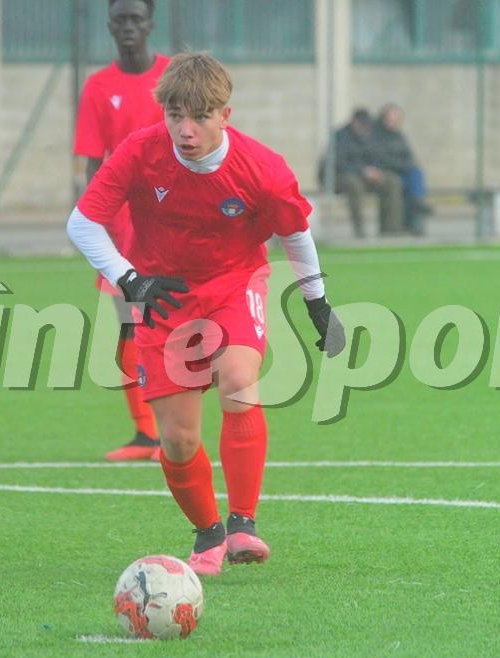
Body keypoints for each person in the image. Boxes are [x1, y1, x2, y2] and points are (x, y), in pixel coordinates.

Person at [67, 52, 345, 576]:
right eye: (175, 116)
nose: (185, 130)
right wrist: (131, 279)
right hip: (164, 297)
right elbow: (82, 222)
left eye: (198, 117)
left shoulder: (262, 169)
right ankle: (209, 531)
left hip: (233, 285)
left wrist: (317, 303)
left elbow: (295, 233)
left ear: (225, 115)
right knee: (177, 439)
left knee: (238, 380)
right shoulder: (141, 152)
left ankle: (243, 525)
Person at [73, 0, 170, 462]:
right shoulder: (98, 87)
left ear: (150, 24)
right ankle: (147, 435)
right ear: (109, 25)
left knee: (169, 327)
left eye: (136, 19)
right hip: (121, 229)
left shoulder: (173, 77)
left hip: (170, 222)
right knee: (130, 329)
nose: (128, 26)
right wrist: (98, 225)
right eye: (120, 19)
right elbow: (94, 165)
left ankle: (174, 430)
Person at [323, 108, 403, 237]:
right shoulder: (341, 137)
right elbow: (338, 163)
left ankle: (390, 229)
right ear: (354, 122)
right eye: (361, 124)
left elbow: (377, 156)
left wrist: (377, 171)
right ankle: (360, 230)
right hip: (340, 177)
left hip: (364, 177)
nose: (364, 128)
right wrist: (362, 171)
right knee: (354, 184)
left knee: (392, 181)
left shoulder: (370, 135)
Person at [372, 103, 431, 235]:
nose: (392, 123)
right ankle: (416, 207)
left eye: (395, 120)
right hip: (389, 172)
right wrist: (403, 165)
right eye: (389, 119)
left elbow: (409, 156)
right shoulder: (376, 136)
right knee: (400, 183)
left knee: (416, 174)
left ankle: (416, 209)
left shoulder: (399, 136)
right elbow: (382, 158)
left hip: (403, 171)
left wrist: (408, 166)